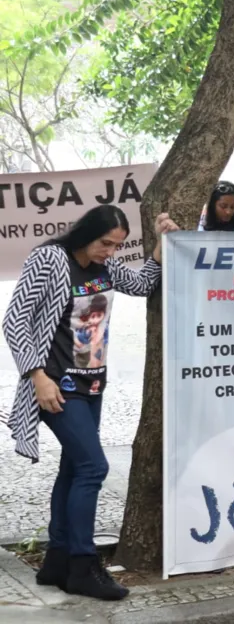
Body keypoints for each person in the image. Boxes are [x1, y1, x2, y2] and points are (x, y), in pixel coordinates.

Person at [3, 205, 178, 601]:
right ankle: (82, 565)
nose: (110, 252)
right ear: (86, 234)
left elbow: (141, 284)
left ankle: (57, 560)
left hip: (92, 385)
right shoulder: (50, 259)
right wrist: (37, 376)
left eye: (116, 246)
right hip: (55, 385)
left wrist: (158, 248)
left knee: (73, 468)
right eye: (105, 243)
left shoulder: (106, 268)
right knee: (92, 466)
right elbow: (15, 321)